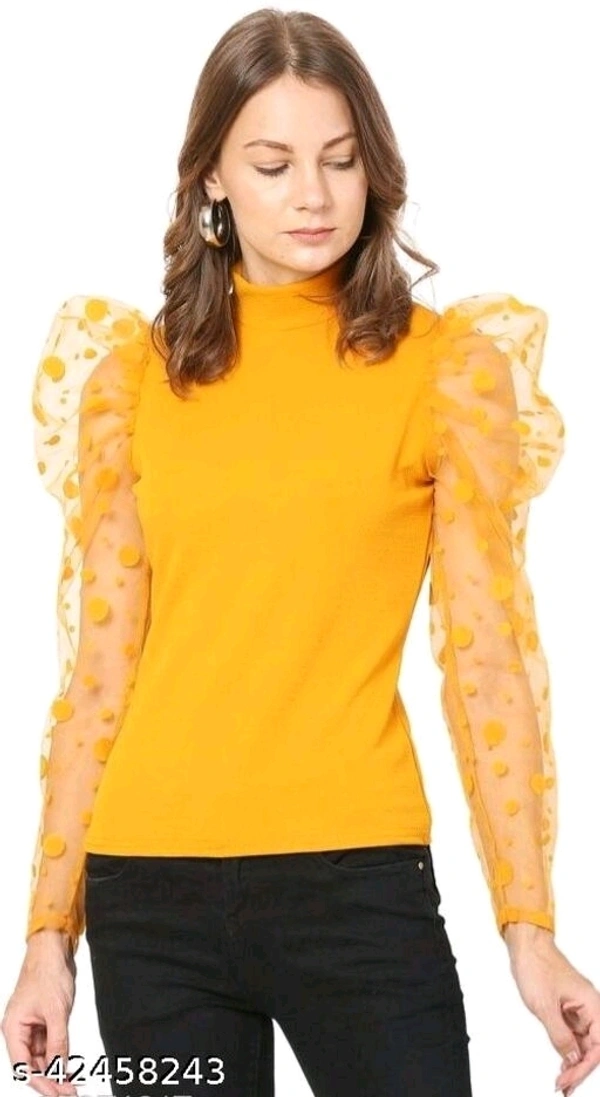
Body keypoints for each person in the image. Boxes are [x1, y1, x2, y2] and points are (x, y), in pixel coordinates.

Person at [2, 8, 599, 1097]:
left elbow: (487, 660)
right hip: (151, 897)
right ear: (213, 178)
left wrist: (530, 924)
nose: (313, 195)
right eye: (273, 165)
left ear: (376, 167)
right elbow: (98, 675)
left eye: (341, 159)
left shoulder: (444, 371)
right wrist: (49, 932)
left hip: (358, 888)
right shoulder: (130, 380)